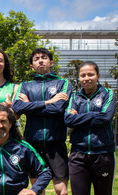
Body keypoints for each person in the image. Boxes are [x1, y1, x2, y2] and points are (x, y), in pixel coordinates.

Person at [11, 48, 72, 195]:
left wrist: (30, 105)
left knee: (61, 190)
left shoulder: (63, 83)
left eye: (44, 57)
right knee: (37, 189)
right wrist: (48, 102)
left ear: (51, 62)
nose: (40, 60)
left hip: (56, 142)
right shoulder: (25, 85)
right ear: (32, 66)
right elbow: (17, 107)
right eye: (36, 58)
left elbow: (58, 109)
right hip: (33, 142)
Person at [0, 104, 52, 195]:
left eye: (3, 121)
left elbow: (45, 172)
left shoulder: (23, 148)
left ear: (10, 123)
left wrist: (34, 190)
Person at [64, 61, 116, 195]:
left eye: (90, 74)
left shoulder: (108, 94)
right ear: (79, 78)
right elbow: (68, 120)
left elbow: (105, 118)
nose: (86, 78)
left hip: (103, 154)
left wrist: (79, 117)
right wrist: (95, 115)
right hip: (78, 155)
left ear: (98, 76)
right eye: (83, 75)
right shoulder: (74, 97)